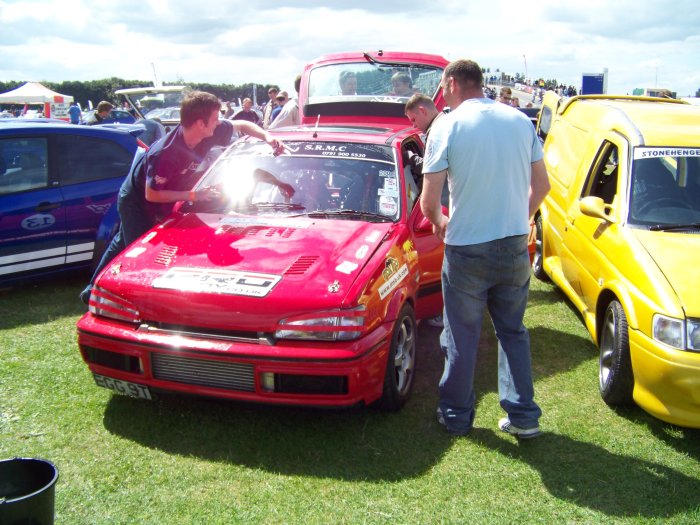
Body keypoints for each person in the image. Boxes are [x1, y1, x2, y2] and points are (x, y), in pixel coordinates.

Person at [420, 59, 550, 438]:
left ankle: (457, 415)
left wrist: (443, 225)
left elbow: (430, 203)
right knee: (513, 331)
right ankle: (524, 416)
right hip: (511, 245)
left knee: (462, 333)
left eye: (444, 86)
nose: (442, 94)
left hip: (467, 247)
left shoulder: (447, 125)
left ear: (454, 83)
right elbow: (542, 186)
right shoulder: (518, 121)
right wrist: (518, 218)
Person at [80, 91, 285, 304]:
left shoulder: (209, 131)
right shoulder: (165, 153)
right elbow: (152, 195)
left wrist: (269, 138)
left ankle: (90, 291)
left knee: (121, 242)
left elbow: (242, 124)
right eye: (214, 119)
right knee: (140, 253)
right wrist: (195, 195)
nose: (218, 123)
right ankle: (131, 302)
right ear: (200, 123)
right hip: (137, 200)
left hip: (160, 194)